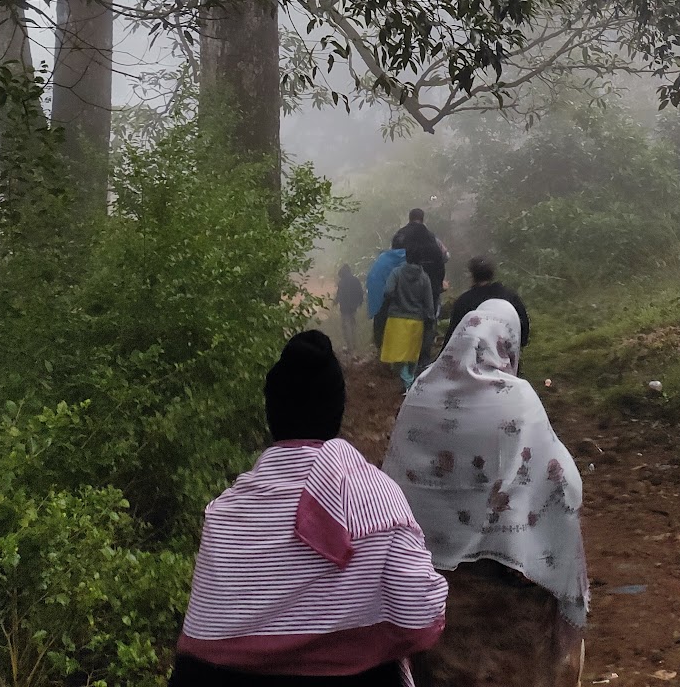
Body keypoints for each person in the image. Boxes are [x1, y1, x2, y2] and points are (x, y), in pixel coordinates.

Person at [170, 330, 447, 687]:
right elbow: (420, 615)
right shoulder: (378, 497)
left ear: (272, 414)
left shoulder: (224, 513)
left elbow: (204, 645)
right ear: (338, 410)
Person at [382, 301, 587, 687]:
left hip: (437, 591)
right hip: (512, 590)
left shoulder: (422, 392)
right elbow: (561, 481)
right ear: (509, 346)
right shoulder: (519, 400)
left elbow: (395, 481)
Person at [376, 256, 437, 391]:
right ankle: (410, 380)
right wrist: (430, 318)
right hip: (417, 320)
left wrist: (396, 298)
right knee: (412, 354)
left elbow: (388, 291)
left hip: (397, 318)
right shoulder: (424, 277)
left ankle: (408, 382)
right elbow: (429, 301)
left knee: (398, 354)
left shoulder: (396, 272)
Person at [444, 257, 529, 351]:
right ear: (492, 274)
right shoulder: (510, 296)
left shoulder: (464, 301)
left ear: (471, 275)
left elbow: (454, 334)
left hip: (473, 356)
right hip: (506, 354)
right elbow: (523, 323)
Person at [391, 209, 446, 309]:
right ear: (422, 218)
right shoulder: (430, 236)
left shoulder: (400, 235)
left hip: (404, 287)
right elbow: (445, 255)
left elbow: (393, 259)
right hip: (431, 283)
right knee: (429, 314)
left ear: (409, 218)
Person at [366, 247, 406, 350]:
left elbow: (373, 281)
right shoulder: (407, 262)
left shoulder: (381, 263)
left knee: (380, 328)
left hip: (381, 303)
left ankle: (381, 354)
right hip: (402, 308)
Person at [335, 264, 364, 358]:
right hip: (353, 307)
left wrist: (335, 301)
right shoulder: (355, 280)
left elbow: (339, 294)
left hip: (344, 308)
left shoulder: (342, 282)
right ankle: (354, 345)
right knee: (352, 326)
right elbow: (360, 292)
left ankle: (349, 346)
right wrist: (359, 302)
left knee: (345, 326)